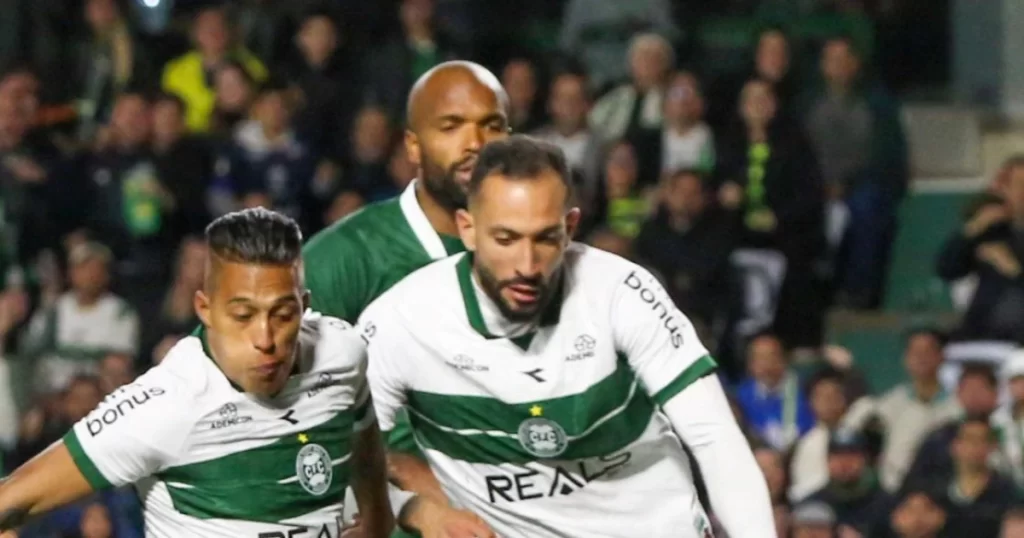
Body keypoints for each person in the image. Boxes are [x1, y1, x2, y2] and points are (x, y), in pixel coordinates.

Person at [359, 135, 775, 537]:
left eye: (545, 237)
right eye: (505, 239)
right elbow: (333, 463)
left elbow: (714, 437)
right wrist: (413, 509)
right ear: (467, 228)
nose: (526, 264)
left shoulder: (621, 293)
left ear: (570, 227)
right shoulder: (402, 320)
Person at [0, 208, 394, 537]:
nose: (265, 338)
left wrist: (378, 525)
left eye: (283, 314)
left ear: (304, 306)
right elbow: (12, 501)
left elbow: (366, 451)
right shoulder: (165, 406)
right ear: (205, 310)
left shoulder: (341, 353)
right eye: (243, 316)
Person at [301, 60, 510, 527]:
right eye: (451, 127)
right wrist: (396, 476)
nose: (475, 143)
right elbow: (260, 399)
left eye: (492, 126)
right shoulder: (348, 256)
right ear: (413, 145)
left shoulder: (535, 255)